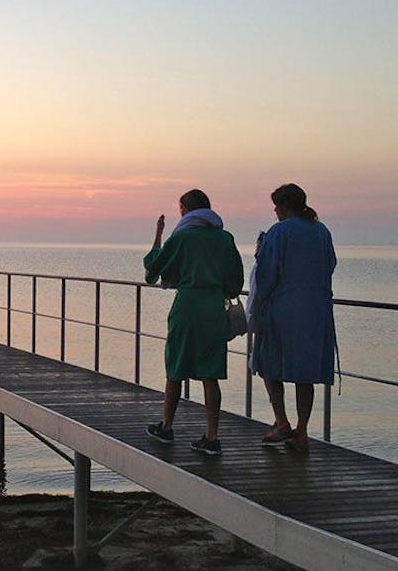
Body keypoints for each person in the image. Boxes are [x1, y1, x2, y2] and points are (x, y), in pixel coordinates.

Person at [143, 189, 244, 456]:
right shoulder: (225, 238)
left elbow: (153, 269)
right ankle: (212, 436)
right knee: (210, 374)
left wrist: (158, 234)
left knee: (176, 367)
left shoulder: (183, 236)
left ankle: (166, 426)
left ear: (186, 210)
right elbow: (235, 283)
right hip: (213, 308)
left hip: (187, 306)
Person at [250, 184, 337, 454]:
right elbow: (330, 264)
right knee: (305, 373)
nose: (274, 210)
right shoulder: (321, 231)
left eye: (276, 205)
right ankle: (302, 430)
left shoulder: (279, 232)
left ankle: (282, 421)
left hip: (283, 310)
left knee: (267, 363)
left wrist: (260, 299)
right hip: (315, 311)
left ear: (286, 205)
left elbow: (266, 274)